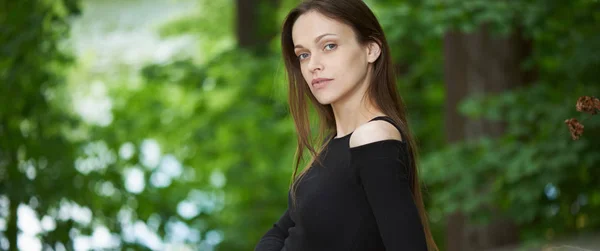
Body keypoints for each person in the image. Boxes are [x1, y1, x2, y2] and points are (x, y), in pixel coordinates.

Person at [255, 0, 438, 250]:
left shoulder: (373, 138)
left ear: (371, 49)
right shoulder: (329, 149)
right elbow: (277, 234)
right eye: (303, 54)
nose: (312, 65)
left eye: (329, 46)